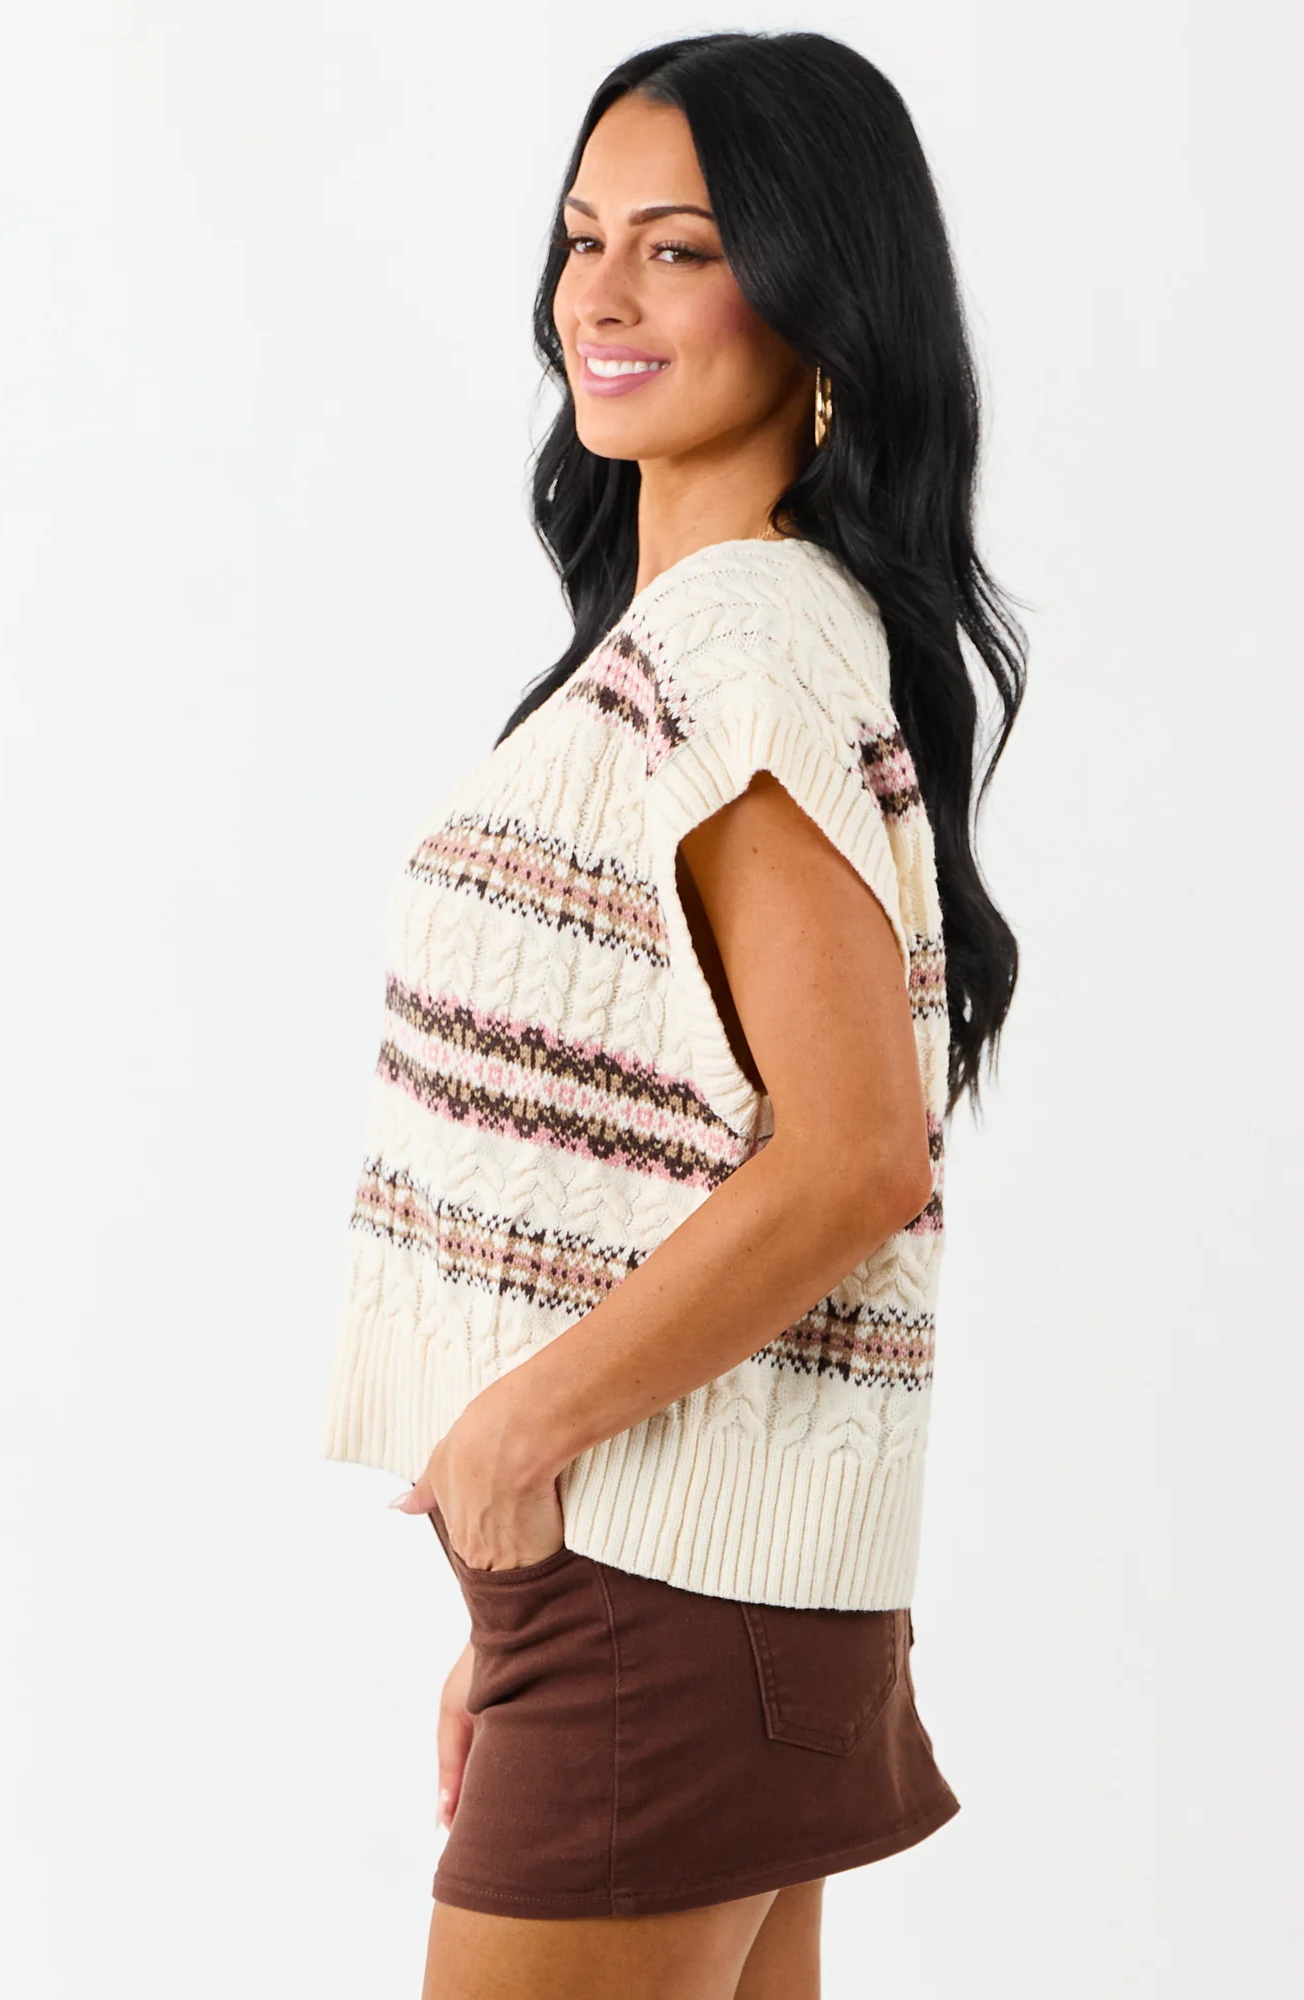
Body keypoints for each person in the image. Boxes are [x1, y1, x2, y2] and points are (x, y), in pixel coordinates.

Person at [319, 28, 1026, 2000]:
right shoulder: (740, 634)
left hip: (660, 1611)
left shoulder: (741, 647)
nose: (603, 296)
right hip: (658, 1601)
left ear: (818, 304)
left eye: (682, 248)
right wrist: (521, 1598)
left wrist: (520, 1438)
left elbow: (855, 1155)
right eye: (583, 238)